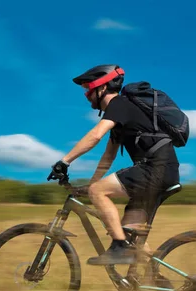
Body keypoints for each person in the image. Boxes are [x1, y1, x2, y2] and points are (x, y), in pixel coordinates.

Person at [49, 64, 180, 266]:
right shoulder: (121, 116)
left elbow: (95, 136)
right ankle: (155, 279)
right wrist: (91, 186)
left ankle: (119, 248)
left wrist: (64, 161)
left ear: (101, 87)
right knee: (130, 234)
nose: (86, 95)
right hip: (162, 171)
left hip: (156, 169)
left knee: (116, 228)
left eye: (87, 89)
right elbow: (108, 156)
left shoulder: (119, 104)